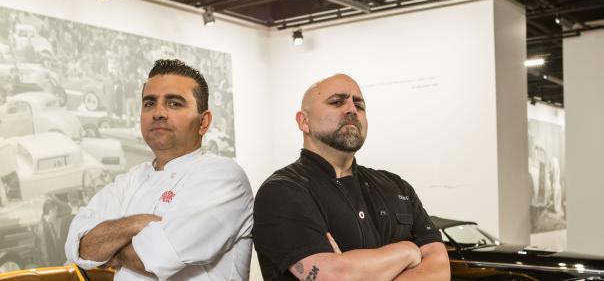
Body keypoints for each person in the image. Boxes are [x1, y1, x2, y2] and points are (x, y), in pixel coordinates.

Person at [65, 59, 253, 281]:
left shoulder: (223, 176)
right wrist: (137, 222)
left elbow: (159, 257)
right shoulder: (130, 180)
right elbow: (80, 246)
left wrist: (110, 250)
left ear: (204, 122)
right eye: (149, 103)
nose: (158, 113)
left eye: (174, 103)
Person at [253, 74, 450, 281]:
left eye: (359, 105)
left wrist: (356, 269)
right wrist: (407, 251)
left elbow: (440, 268)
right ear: (304, 121)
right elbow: (334, 277)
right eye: (337, 102)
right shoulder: (282, 192)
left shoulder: (397, 186)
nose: (352, 110)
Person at [34, 199, 65, 267]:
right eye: (56, 211)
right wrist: (49, 269)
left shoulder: (49, 224)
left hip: (55, 263)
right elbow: (44, 252)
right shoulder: (41, 228)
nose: (57, 214)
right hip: (49, 266)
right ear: (51, 211)